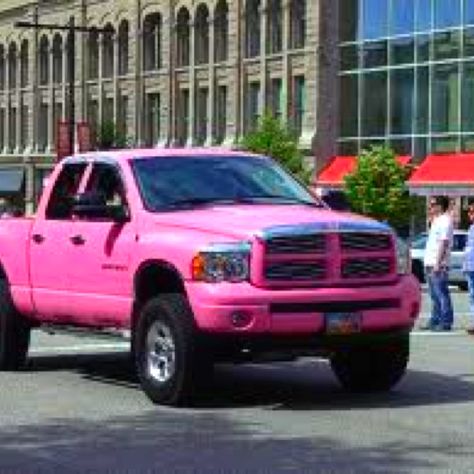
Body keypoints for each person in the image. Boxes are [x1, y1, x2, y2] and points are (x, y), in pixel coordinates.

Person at [422, 196, 454, 331]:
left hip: (438, 263)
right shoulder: (436, 220)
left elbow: (444, 242)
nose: (430, 207)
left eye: (433, 204)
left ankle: (446, 322)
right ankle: (435, 320)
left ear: (441, 206)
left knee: (441, 294)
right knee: (434, 295)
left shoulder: (445, 221)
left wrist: (438, 263)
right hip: (430, 262)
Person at [463, 203, 474, 335]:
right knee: (472, 296)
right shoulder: (471, 228)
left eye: (472, 212)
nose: (469, 214)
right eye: (469, 212)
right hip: (470, 266)